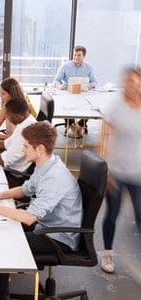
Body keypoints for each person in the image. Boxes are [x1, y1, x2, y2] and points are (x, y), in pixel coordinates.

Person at [0, 122, 82, 300]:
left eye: (26, 146)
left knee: (3, 244)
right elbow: (25, 189)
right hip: (45, 224)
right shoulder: (46, 164)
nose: (23, 149)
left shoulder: (54, 177)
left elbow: (28, 218)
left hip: (58, 237)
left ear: (40, 148)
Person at [99, 67, 141, 274]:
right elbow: (104, 136)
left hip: (138, 173)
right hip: (116, 172)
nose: (133, 86)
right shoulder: (116, 107)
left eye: (137, 83)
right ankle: (107, 253)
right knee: (112, 214)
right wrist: (106, 167)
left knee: (140, 216)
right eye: (130, 82)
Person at [53, 45, 98, 138]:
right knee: (66, 105)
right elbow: (56, 81)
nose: (76, 57)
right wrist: (59, 86)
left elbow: (95, 82)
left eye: (79, 55)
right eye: (75, 55)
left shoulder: (89, 67)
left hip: (82, 94)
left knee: (90, 106)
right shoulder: (65, 66)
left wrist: (88, 85)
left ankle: (82, 123)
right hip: (69, 94)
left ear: (83, 56)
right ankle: (70, 124)